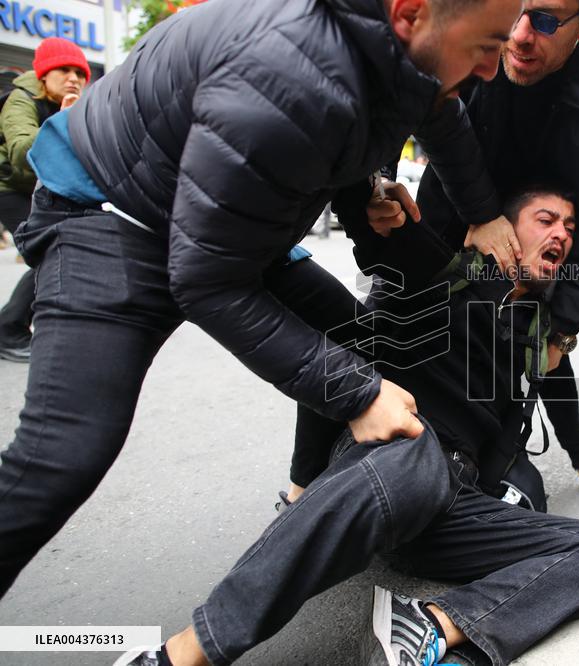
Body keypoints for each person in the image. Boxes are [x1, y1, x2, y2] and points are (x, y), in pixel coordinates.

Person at [0, 0, 523, 598]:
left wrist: (472, 214)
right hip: (114, 216)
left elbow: (439, 116)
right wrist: (360, 396)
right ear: (409, 14)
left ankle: (303, 490)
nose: (490, 69)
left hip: (221, 220)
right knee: (64, 455)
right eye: (486, 45)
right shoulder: (287, 77)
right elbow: (206, 281)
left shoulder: (398, 49)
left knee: (356, 340)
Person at [121, 189, 579, 666]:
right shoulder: (448, 274)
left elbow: (563, 402)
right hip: (403, 452)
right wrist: (368, 196)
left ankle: (435, 623)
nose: (561, 235)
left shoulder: (537, 332)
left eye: (570, 230)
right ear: (502, 231)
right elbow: (381, 233)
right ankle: (182, 655)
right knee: (414, 456)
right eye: (546, 220)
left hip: (455, 505)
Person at [285, 0, 579, 514]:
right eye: (514, 12)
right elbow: (407, 83)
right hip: (463, 193)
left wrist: (559, 330)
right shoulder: (481, 21)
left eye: (544, 21)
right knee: (382, 313)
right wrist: (377, 179)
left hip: (553, 216)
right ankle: (311, 474)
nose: (519, 36)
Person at [0, 37, 89, 362]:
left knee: (71, 249)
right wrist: (62, 123)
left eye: (79, 73)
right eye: (64, 70)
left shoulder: (72, 105)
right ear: (43, 75)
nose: (73, 79)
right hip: (8, 186)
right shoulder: (20, 100)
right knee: (47, 253)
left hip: (45, 189)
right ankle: (9, 329)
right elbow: (23, 152)